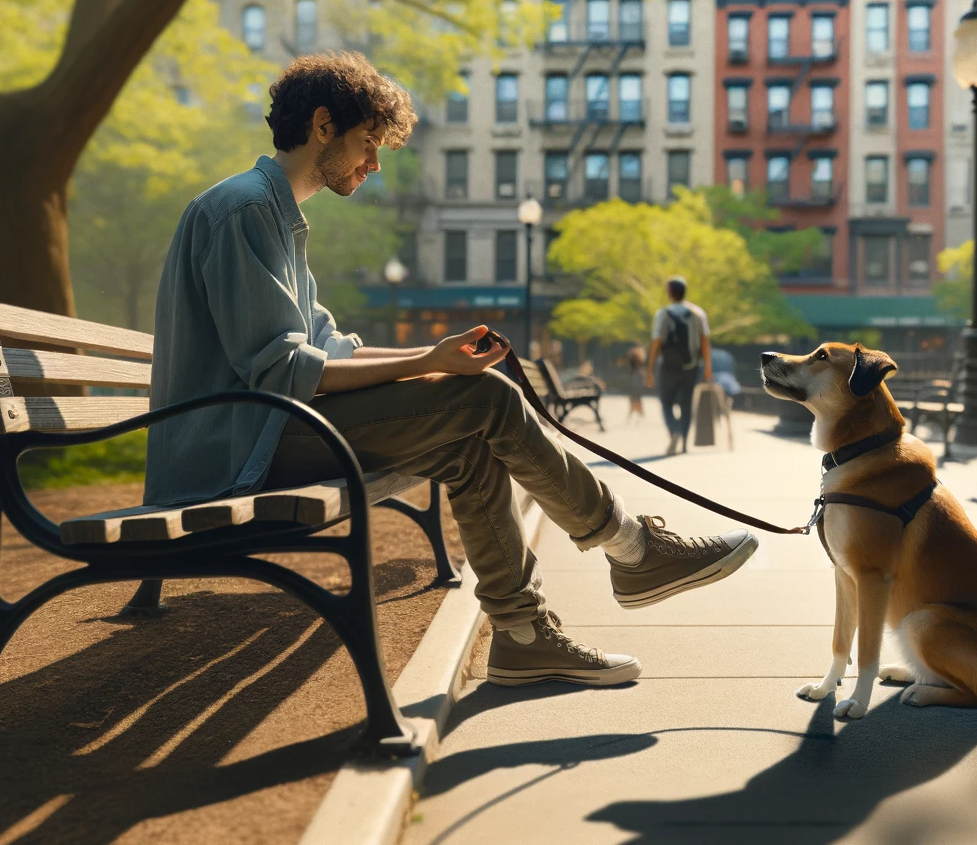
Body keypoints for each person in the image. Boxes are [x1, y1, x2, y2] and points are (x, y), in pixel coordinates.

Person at [146, 52, 757, 688]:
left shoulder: (274, 213)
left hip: (265, 430)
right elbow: (284, 367)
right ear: (323, 126)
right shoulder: (245, 210)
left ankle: (521, 636)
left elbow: (331, 346)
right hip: (235, 450)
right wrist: (429, 364)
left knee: (469, 435)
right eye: (367, 144)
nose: (375, 164)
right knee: (486, 401)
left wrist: (437, 359)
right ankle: (632, 549)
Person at [645, 277, 711, 456]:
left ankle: (673, 430)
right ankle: (683, 443)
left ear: (670, 293)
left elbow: (656, 342)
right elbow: (705, 342)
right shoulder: (698, 313)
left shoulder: (663, 313)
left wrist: (649, 369)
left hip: (668, 367)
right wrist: (708, 367)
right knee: (686, 404)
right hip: (692, 366)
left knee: (666, 402)